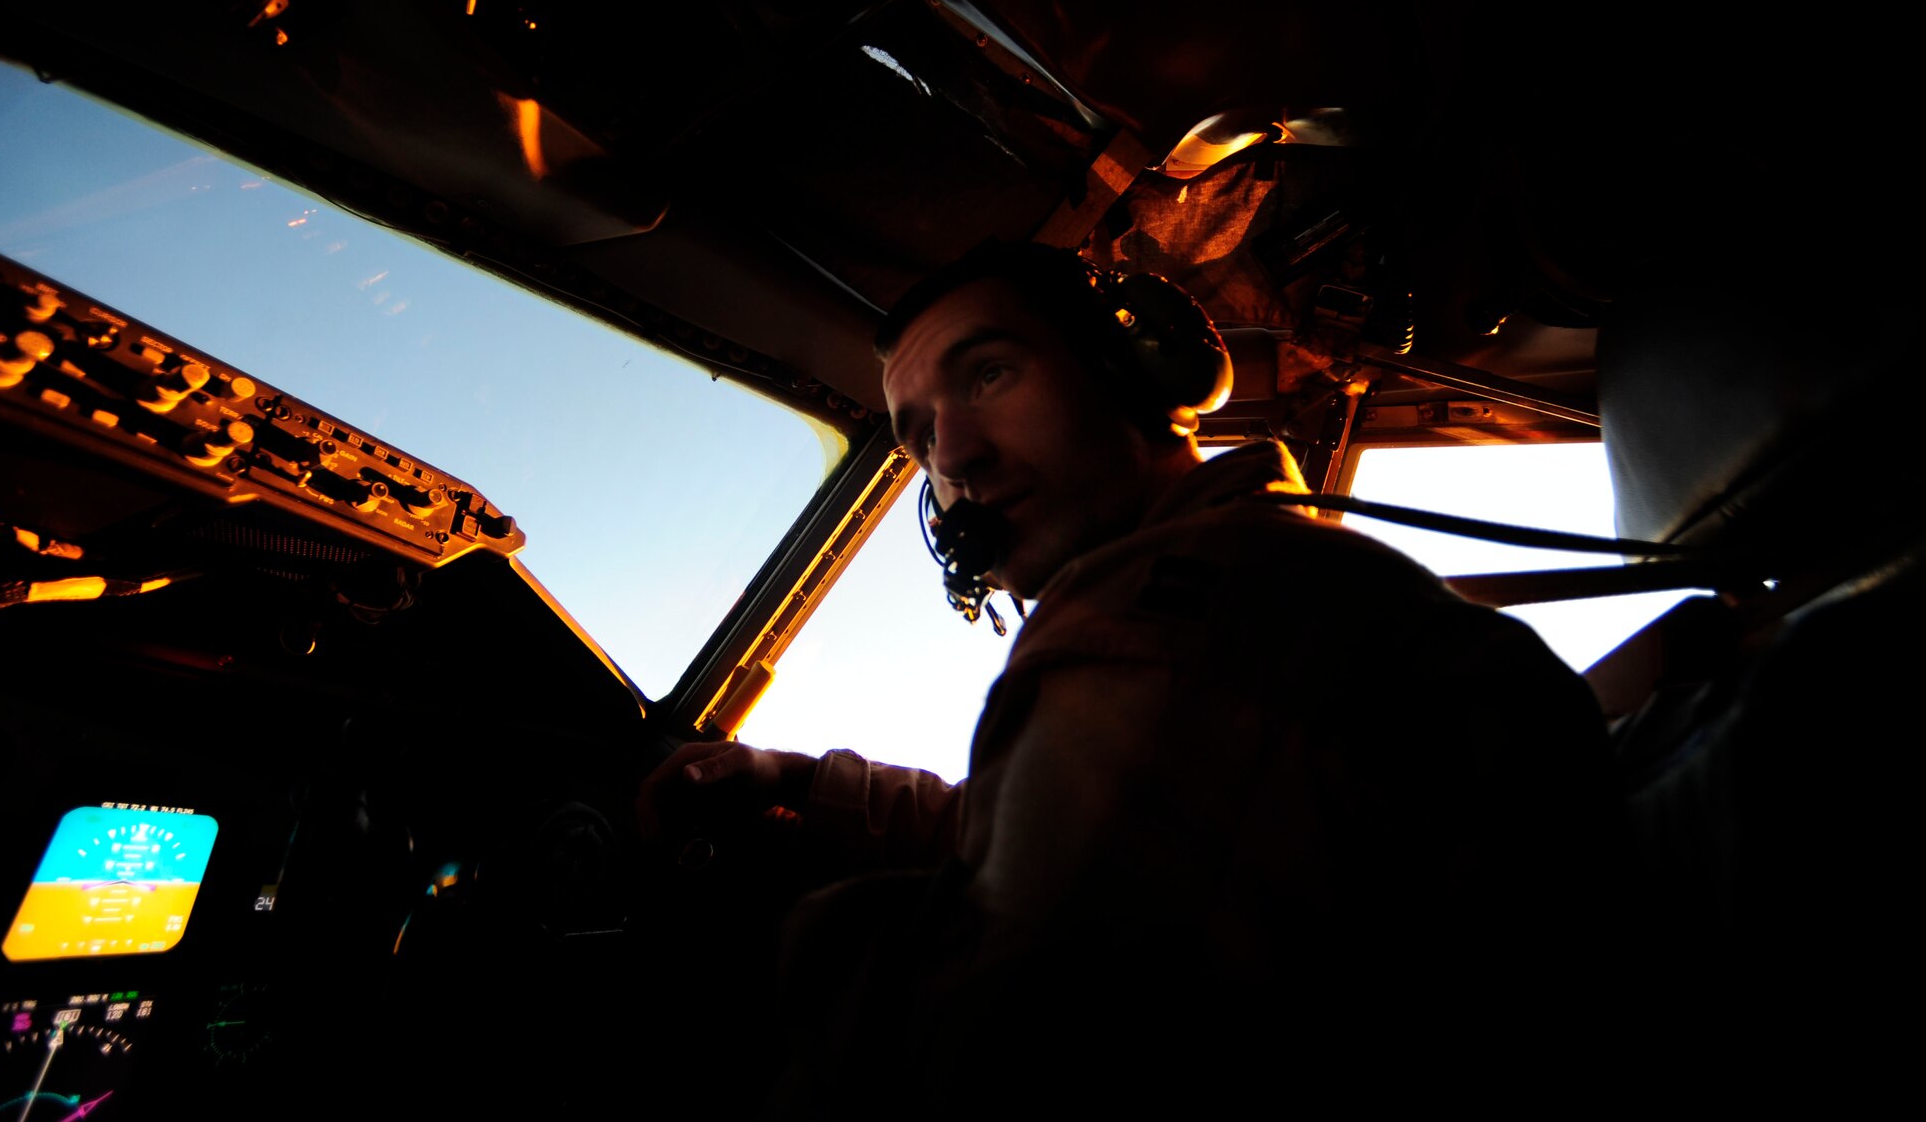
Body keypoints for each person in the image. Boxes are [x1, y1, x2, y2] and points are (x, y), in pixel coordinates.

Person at [637, 241, 1624, 1112]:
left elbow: (1011, 1045)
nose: (955, 459)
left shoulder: (1177, 613)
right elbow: (1013, 828)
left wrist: (775, 943)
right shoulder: (1240, 598)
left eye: (987, 373)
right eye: (917, 435)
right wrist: (792, 782)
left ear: (1133, 370)